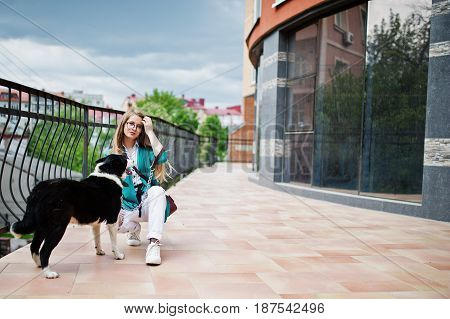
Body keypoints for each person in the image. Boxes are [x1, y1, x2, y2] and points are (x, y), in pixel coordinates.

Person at [111, 108, 172, 265]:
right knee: (112, 222)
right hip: (126, 206)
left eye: (138, 126)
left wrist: (150, 131)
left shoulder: (145, 151)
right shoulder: (113, 153)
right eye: (131, 123)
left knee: (158, 191)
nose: (134, 128)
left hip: (147, 204)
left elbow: (163, 157)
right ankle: (134, 229)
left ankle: (154, 244)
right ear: (123, 124)